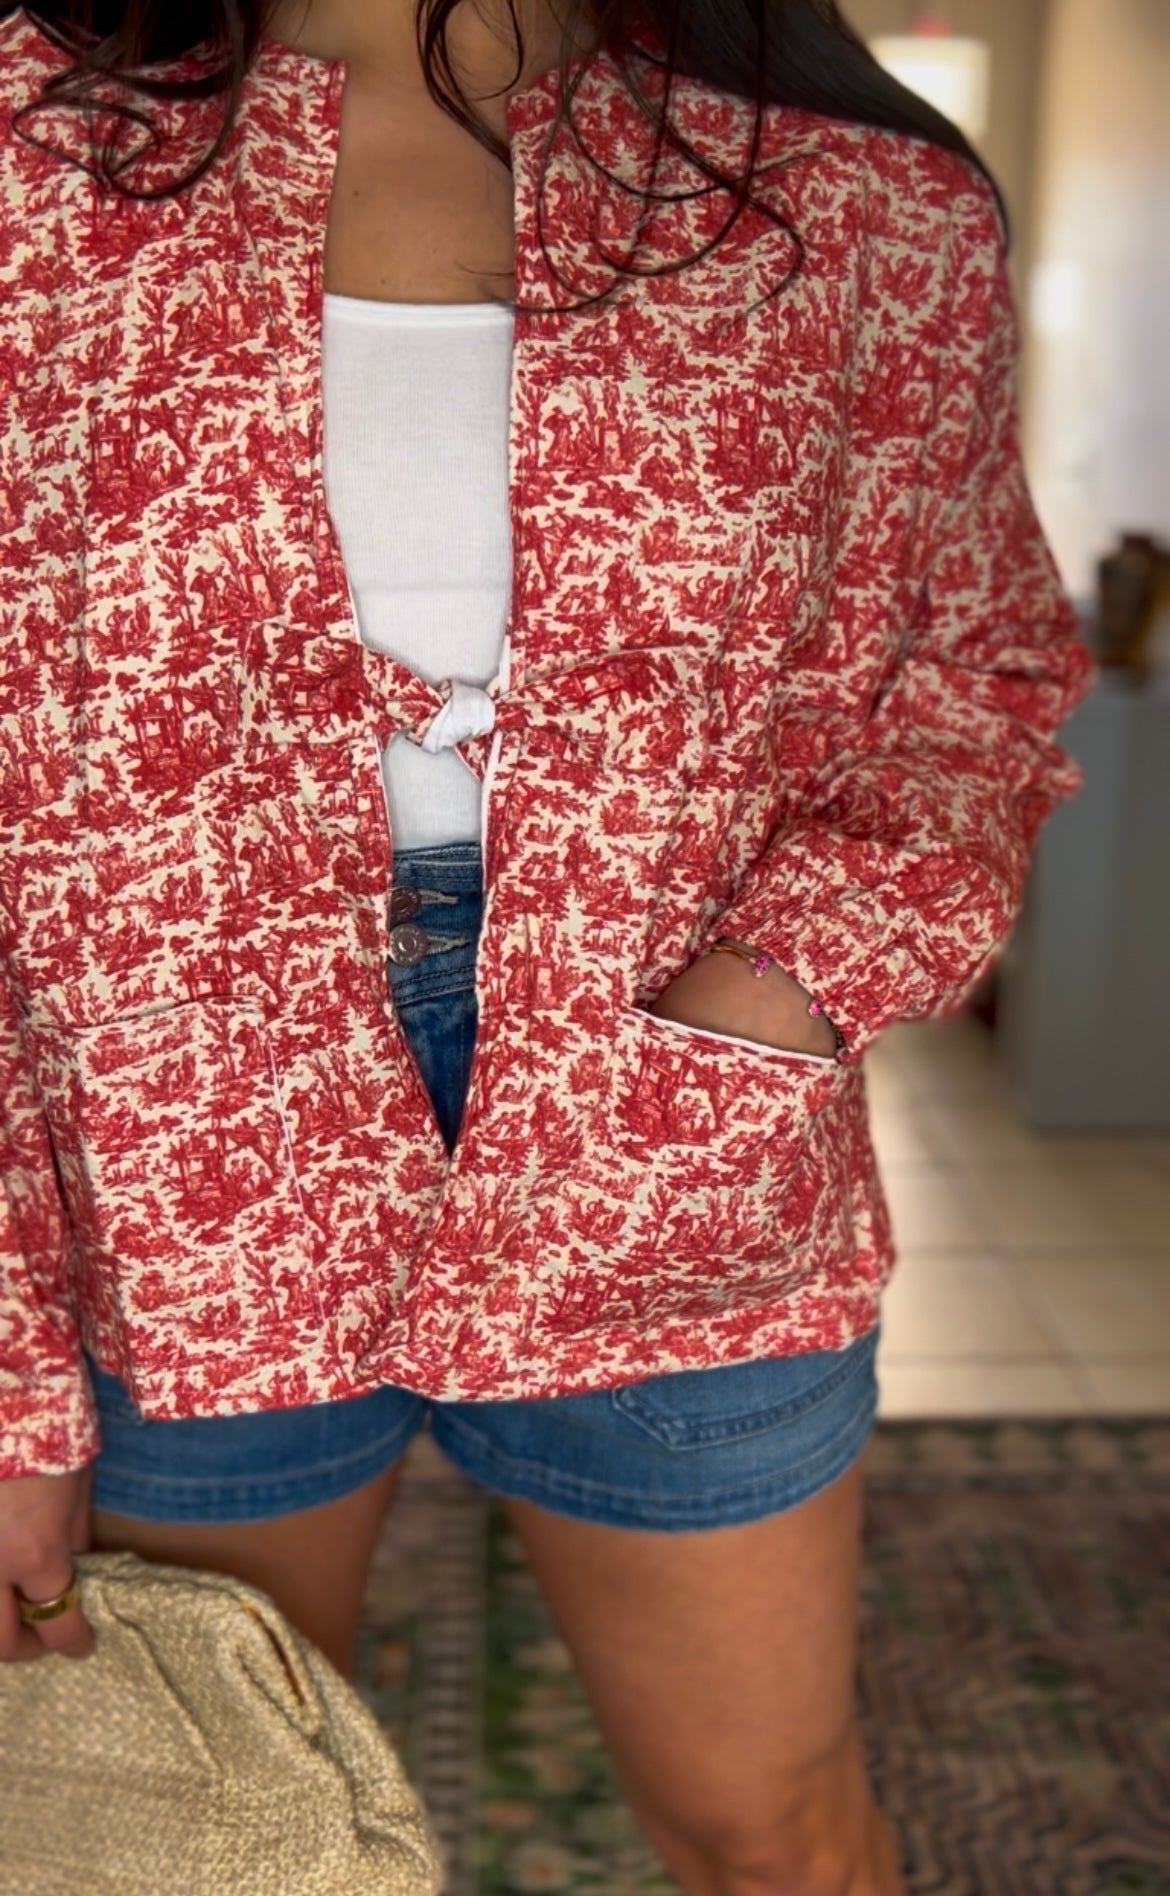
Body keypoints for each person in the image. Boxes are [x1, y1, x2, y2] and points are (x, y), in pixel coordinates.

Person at [0, 2, 1095, 1890]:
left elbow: (972, 682)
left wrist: (767, 1000)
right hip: (155, 1161)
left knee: (773, 1836)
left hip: (680, 1146)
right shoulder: (35, 146)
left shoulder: (848, 193)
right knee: (186, 1844)